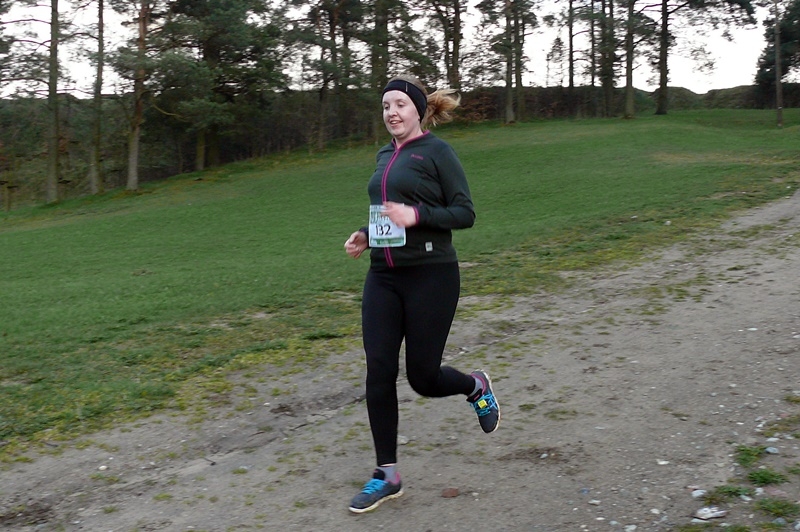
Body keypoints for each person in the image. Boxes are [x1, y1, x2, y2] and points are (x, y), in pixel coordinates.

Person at [343, 74, 501, 514]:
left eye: (400, 104)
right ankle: (387, 474)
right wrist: (366, 234)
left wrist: (417, 215)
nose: (391, 112)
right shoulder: (383, 154)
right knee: (378, 369)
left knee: (423, 378)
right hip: (383, 276)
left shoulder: (437, 152)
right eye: (385, 106)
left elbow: (464, 212)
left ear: (418, 109)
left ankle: (475, 386)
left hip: (431, 275)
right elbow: (386, 214)